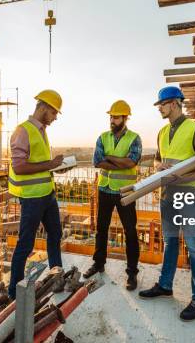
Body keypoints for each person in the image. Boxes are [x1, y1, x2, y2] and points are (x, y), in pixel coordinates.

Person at [138, 86, 195, 321]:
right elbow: (158, 160)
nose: (160, 109)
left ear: (174, 103)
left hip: (188, 194)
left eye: (162, 105)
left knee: (194, 246)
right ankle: (165, 285)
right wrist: (159, 167)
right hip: (167, 194)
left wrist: (186, 177)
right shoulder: (163, 133)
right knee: (170, 242)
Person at [7, 89, 66, 299]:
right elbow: (20, 167)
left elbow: (38, 164)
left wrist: (56, 167)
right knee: (25, 244)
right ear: (44, 108)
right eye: (54, 112)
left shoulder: (41, 130)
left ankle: (57, 276)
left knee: (55, 234)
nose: (55, 117)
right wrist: (50, 164)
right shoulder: (23, 131)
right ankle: (14, 290)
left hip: (47, 195)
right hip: (32, 198)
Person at [83, 100, 142, 291]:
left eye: (116, 117)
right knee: (101, 228)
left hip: (125, 191)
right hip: (105, 189)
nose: (112, 120)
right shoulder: (103, 137)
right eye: (111, 116)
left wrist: (108, 158)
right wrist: (118, 161)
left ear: (125, 118)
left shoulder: (134, 138)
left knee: (130, 232)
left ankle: (132, 272)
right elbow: (97, 162)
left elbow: (131, 162)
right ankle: (99, 263)